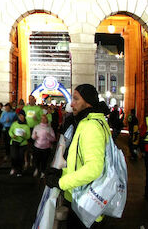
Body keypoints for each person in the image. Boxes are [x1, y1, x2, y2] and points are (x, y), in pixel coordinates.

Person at [44, 84, 110, 228]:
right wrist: (61, 172)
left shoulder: (91, 126)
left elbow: (93, 168)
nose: (71, 103)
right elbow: (78, 160)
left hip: (86, 204)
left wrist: (60, 182)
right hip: (83, 198)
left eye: (76, 99)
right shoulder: (89, 121)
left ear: (88, 102)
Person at [31, 112, 56, 178]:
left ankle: (43, 172)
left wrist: (49, 136)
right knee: (36, 159)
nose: (43, 120)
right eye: (42, 118)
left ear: (47, 120)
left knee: (44, 160)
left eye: (44, 119)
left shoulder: (49, 128)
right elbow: (33, 136)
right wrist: (35, 136)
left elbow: (53, 139)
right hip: (37, 146)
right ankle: (36, 169)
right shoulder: (37, 127)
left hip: (46, 147)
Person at [8, 111, 30, 177]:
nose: (20, 117)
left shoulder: (26, 126)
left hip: (22, 144)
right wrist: (12, 135)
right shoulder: (14, 124)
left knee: (21, 157)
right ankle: (13, 168)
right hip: (14, 142)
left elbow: (28, 136)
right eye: (19, 115)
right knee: (14, 156)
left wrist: (24, 135)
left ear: (24, 116)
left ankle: (19, 171)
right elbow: (10, 131)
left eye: (22, 115)